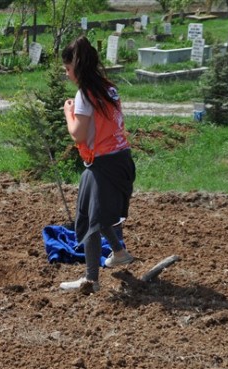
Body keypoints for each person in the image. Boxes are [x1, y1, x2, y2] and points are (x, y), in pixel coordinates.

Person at [59, 36, 136, 294]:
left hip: (102, 162)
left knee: (91, 219)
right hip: (121, 159)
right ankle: (119, 252)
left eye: (68, 69)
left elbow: (78, 135)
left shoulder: (84, 95)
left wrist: (68, 113)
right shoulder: (109, 88)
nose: (67, 74)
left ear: (77, 67)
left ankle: (91, 280)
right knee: (99, 213)